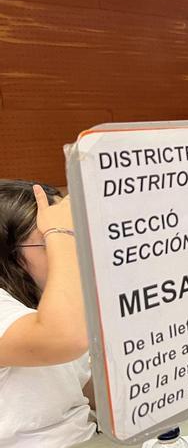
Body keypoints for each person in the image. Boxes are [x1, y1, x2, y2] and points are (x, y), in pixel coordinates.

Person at [0, 180, 96, 447]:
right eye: (51, 240)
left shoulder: (50, 304)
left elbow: (85, 390)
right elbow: (63, 338)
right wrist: (61, 231)